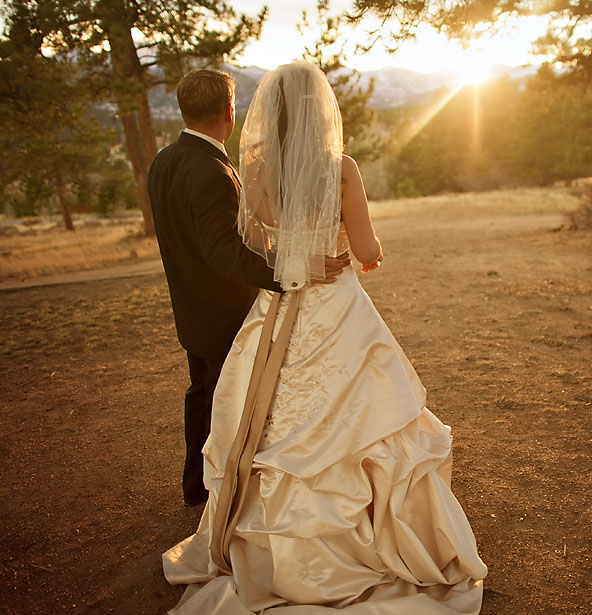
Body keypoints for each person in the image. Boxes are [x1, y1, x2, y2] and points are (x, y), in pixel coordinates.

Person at [162, 61, 487, 614]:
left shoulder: (258, 170)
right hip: (336, 300)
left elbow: (254, 240)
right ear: (322, 112)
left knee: (267, 414)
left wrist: (293, 255)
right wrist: (371, 253)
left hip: (280, 303)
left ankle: (273, 534)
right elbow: (365, 248)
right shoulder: (341, 168)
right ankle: (370, 536)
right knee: (363, 417)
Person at [148, 68, 350, 507]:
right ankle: (220, 486)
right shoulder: (213, 172)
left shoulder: (165, 160)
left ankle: (197, 484)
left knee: (202, 395)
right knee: (227, 404)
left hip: (190, 307)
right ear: (229, 111)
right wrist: (296, 269)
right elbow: (225, 254)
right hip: (223, 310)